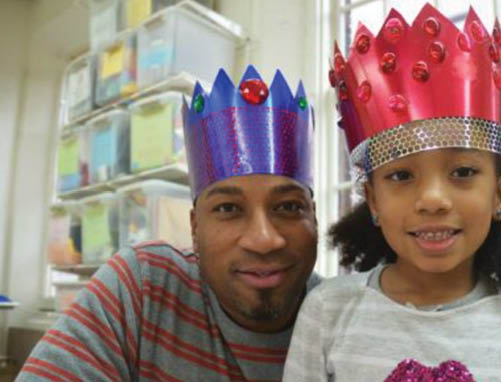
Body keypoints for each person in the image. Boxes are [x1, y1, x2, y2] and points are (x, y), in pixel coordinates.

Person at [283, 4, 501, 382]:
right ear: (373, 200)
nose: (433, 199)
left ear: (500, 194)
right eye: (402, 175)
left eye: (463, 172)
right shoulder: (328, 311)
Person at [17, 65, 320, 382]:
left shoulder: (346, 317)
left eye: (288, 206)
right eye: (228, 208)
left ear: (314, 216)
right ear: (194, 227)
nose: (263, 239)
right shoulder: (144, 287)